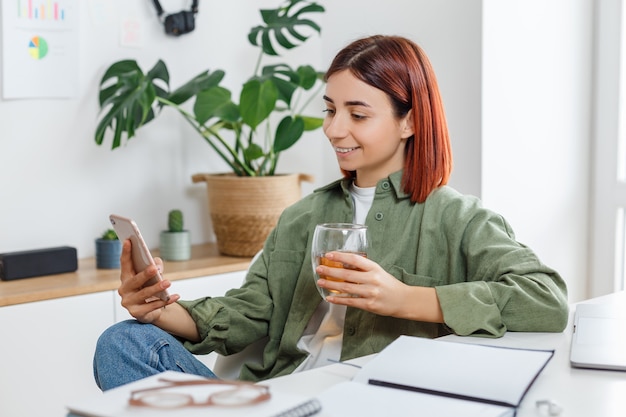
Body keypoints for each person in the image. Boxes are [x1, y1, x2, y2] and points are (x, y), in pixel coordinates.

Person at [93, 35, 568, 391]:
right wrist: (161, 312)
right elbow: (249, 312)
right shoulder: (303, 216)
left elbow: (546, 299)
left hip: (375, 399)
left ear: (411, 120)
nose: (334, 129)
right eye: (329, 110)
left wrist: (406, 299)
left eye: (358, 114)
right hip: (278, 395)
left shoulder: (457, 218)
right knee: (121, 342)